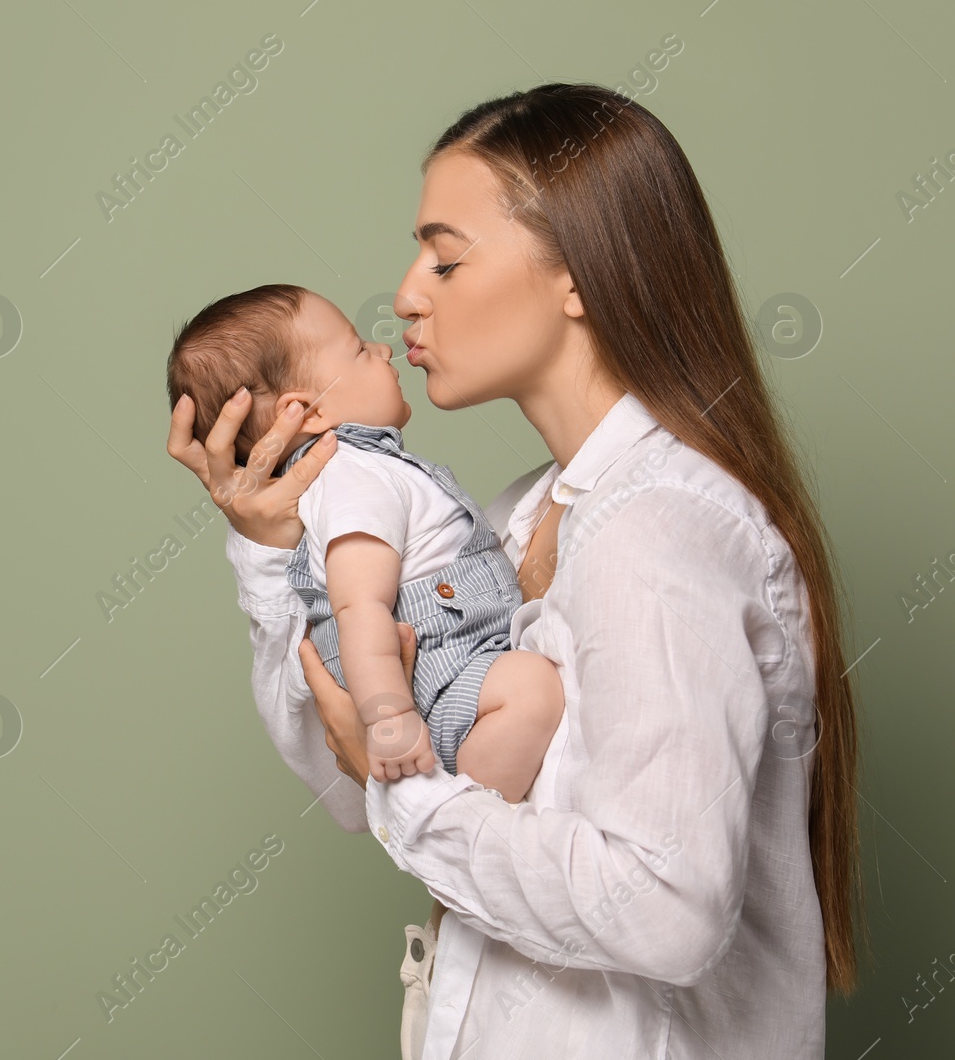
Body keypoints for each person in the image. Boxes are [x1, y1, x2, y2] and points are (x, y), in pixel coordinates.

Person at [166, 82, 864, 1059]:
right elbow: (343, 779)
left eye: (445, 257)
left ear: (575, 274)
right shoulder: (505, 522)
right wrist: (272, 544)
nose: (406, 291)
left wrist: (402, 794)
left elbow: (663, 906)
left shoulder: (657, 529)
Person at [164, 284, 563, 791]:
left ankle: (461, 817)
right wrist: (388, 717)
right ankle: (467, 823)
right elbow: (359, 607)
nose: (382, 349)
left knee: (527, 687)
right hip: (438, 679)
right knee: (532, 689)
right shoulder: (354, 476)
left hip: (454, 667)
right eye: (358, 349)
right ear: (308, 413)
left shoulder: (359, 474)